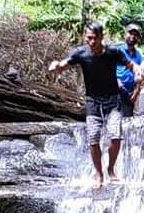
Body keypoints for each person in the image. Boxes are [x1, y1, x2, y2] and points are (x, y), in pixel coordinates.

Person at [49, 22, 136, 187]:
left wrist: (139, 72)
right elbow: (63, 65)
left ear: (102, 37)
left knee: (116, 137)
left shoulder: (113, 52)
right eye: (89, 38)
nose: (92, 42)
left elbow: (131, 65)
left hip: (113, 100)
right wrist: (56, 66)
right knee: (93, 138)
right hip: (92, 101)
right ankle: (99, 174)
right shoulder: (81, 53)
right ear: (85, 37)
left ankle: (111, 169)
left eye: (95, 38)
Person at [115, 23, 143, 116]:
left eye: (135, 35)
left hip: (130, 93)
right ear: (125, 34)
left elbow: (139, 74)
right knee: (113, 117)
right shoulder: (117, 50)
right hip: (115, 89)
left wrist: (136, 91)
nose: (132, 36)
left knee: (127, 118)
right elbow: (108, 68)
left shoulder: (138, 55)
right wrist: (116, 81)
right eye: (130, 33)